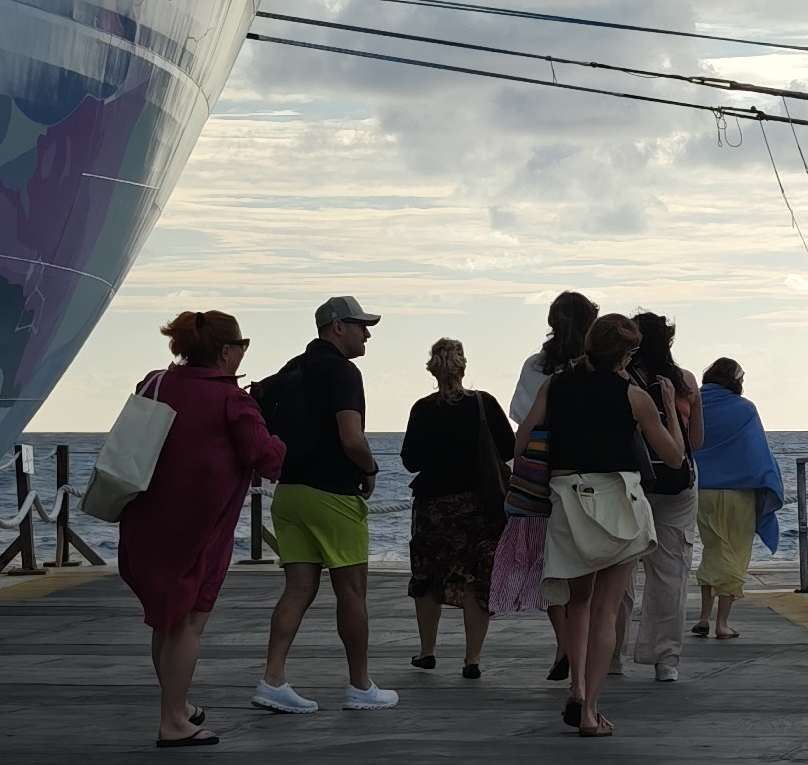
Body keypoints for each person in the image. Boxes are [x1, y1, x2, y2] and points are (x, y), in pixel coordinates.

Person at [113, 311, 280, 746]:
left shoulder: (157, 381)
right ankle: (172, 721)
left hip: (145, 521)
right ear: (226, 351)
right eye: (242, 343)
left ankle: (177, 704)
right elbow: (269, 459)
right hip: (197, 531)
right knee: (188, 623)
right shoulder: (233, 401)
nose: (245, 350)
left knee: (164, 621)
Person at [539, 311, 686, 738]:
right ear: (626, 352)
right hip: (617, 502)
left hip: (568, 499)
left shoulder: (557, 384)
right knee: (607, 609)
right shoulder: (633, 395)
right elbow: (674, 456)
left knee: (578, 603)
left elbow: (524, 436)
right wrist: (672, 411)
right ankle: (590, 712)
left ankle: (577, 687)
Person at [250, 294, 396, 713]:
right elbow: (350, 437)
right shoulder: (343, 372)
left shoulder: (289, 370)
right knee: (352, 592)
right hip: (332, 493)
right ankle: (360, 686)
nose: (367, 333)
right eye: (361, 325)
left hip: (289, 493)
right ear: (337, 327)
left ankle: (272, 678)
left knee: (297, 589)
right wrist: (369, 470)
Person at [493, 288, 596, 678]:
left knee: (543, 556)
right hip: (581, 464)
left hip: (536, 463)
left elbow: (521, 412)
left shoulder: (536, 363)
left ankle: (563, 643)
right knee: (583, 556)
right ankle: (582, 646)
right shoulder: (594, 367)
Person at [401, 341, 514, 676]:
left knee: (427, 574)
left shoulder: (422, 409)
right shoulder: (484, 403)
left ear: (433, 369)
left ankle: (427, 651)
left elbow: (410, 461)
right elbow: (507, 449)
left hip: (434, 505)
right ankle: (472, 659)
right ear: (463, 367)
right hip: (479, 504)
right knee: (475, 579)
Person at [623, 309, 704, 686]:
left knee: (619, 570)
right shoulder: (684, 381)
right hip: (677, 484)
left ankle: (611, 653)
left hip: (631, 482)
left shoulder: (622, 380)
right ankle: (665, 659)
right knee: (671, 574)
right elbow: (697, 442)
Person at [691, 355, 785, 640]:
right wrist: (770, 485)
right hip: (737, 493)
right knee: (734, 553)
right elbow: (757, 452)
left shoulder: (697, 405)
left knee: (712, 549)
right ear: (735, 381)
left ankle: (703, 617)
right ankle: (722, 623)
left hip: (701, 491)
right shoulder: (745, 409)